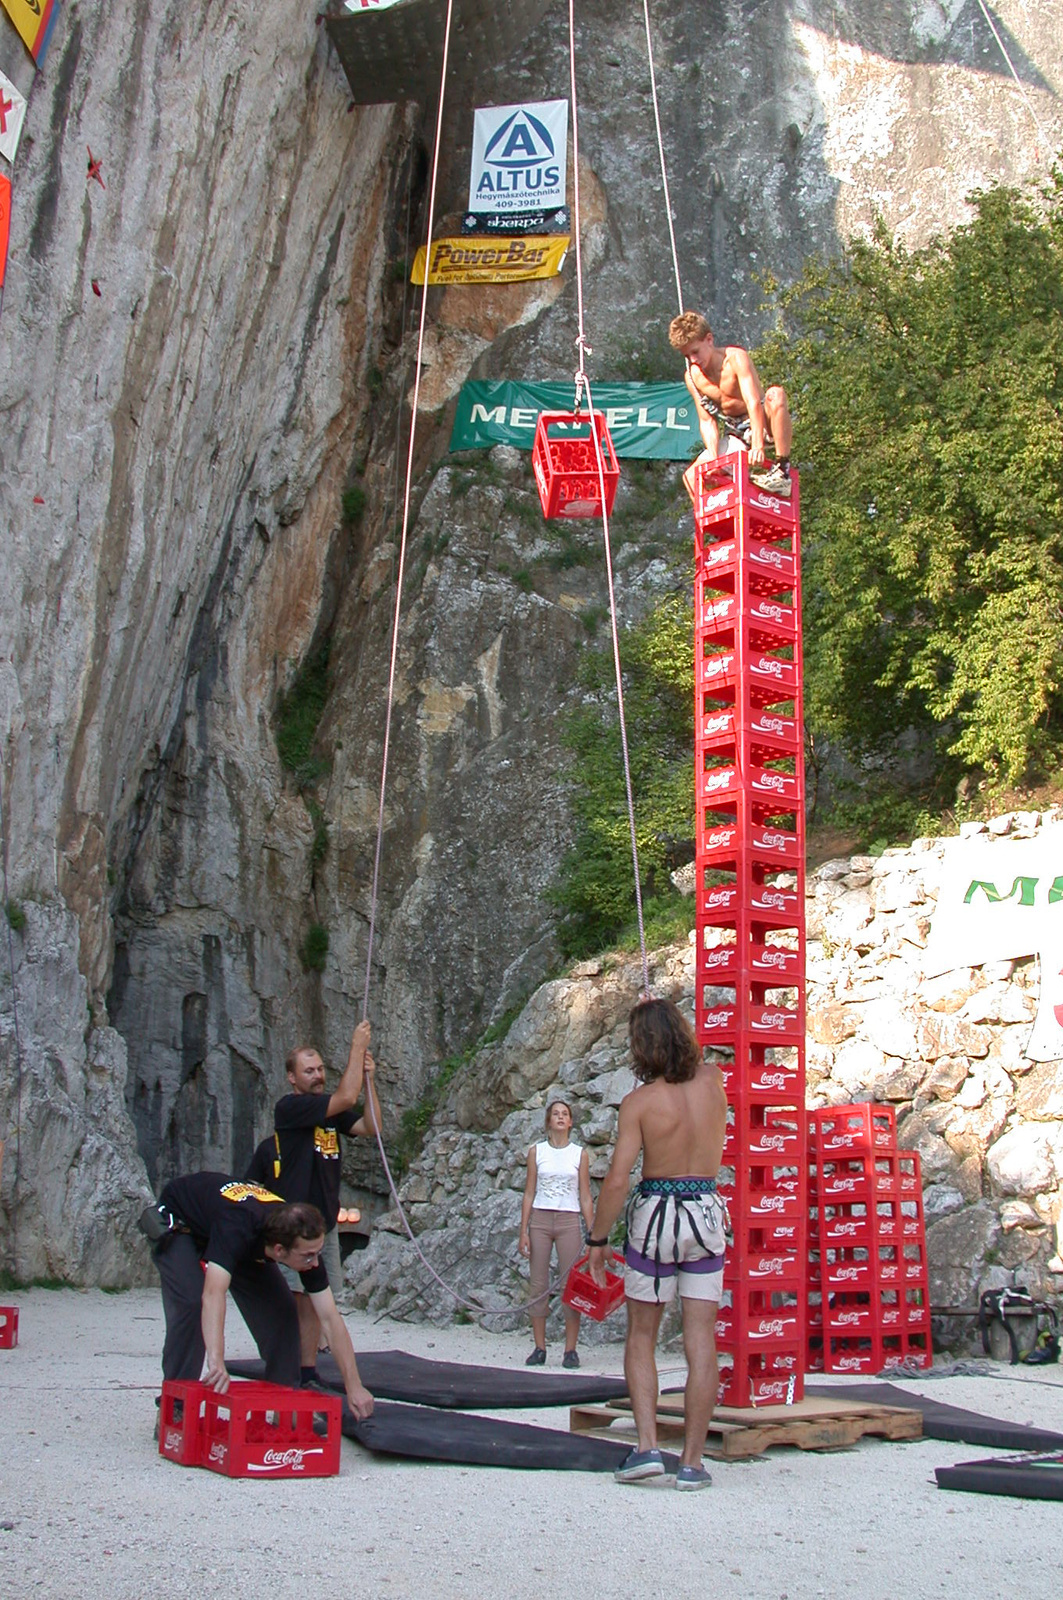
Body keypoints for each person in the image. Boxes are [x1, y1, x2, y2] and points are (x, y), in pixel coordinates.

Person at [586, 997, 727, 1490]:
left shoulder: (639, 1105)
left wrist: (598, 1238)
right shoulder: (714, 1083)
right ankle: (692, 1461)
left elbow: (619, 1180)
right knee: (700, 1340)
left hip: (658, 1216)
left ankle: (646, 1447)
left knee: (641, 1335)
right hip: (706, 1211)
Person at [151, 1170, 374, 1420]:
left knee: (282, 1310)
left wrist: (354, 1386)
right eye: (308, 1256)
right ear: (279, 1251)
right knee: (190, 1304)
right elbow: (213, 1294)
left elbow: (330, 1319)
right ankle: (176, 1406)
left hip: (244, 1238)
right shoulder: (237, 1226)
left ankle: (285, 1401)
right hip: (182, 1224)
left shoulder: (301, 1242)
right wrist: (217, 1362)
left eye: (317, 1253)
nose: (314, 1263)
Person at [245, 1018, 381, 1385]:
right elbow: (345, 1098)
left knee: (318, 1302)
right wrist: (356, 1047)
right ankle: (289, 1371)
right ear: (292, 1077)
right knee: (296, 1302)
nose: (317, 1075)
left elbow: (371, 1128)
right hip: (292, 1226)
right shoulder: (290, 1108)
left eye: (320, 1069)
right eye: (309, 1071)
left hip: (325, 1225)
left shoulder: (330, 1116)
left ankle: (306, 1372)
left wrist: (368, 1081)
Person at [668, 309, 793, 501]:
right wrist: (712, 455)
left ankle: (782, 471)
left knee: (775, 395)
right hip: (735, 432)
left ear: (709, 340)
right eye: (687, 356)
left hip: (760, 420)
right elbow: (706, 421)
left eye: (695, 352)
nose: (693, 360)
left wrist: (757, 446)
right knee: (692, 476)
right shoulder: (693, 377)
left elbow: (752, 401)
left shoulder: (735, 358)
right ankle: (712, 527)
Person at [518, 1099, 595, 1368]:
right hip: (540, 1217)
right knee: (538, 1284)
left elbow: (585, 1196)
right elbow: (529, 1192)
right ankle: (539, 1347)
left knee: (570, 1285)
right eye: (555, 1114)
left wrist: (592, 1233)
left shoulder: (579, 1154)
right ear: (549, 1122)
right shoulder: (536, 1152)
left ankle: (570, 1350)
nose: (560, 1117)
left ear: (571, 1122)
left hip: (568, 1219)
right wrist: (523, 1230)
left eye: (565, 1114)